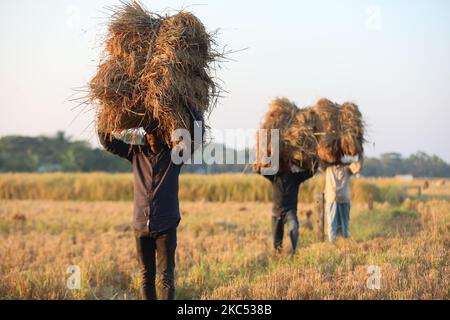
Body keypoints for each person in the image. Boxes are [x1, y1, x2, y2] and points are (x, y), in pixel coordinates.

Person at [99, 123, 182, 300]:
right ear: (145, 136)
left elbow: (195, 141)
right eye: (149, 132)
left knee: (166, 276)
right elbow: (108, 143)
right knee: (146, 276)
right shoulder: (136, 154)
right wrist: (103, 120)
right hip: (141, 226)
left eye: (156, 131)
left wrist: (195, 114)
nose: (152, 135)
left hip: (165, 226)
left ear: (165, 135)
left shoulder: (174, 157)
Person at [259, 162, 317, 255]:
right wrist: (259, 162)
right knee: (277, 241)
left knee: (294, 227)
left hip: (290, 210)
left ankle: (295, 251)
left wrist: (315, 160)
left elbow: (310, 173)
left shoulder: (295, 177)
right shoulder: (274, 176)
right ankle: (278, 255)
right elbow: (260, 171)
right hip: (276, 211)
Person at [324, 158, 363, 243]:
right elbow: (317, 163)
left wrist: (360, 155)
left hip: (344, 199)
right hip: (332, 199)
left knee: (344, 224)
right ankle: (332, 244)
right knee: (331, 223)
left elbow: (357, 167)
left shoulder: (347, 168)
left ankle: (344, 243)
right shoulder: (328, 168)